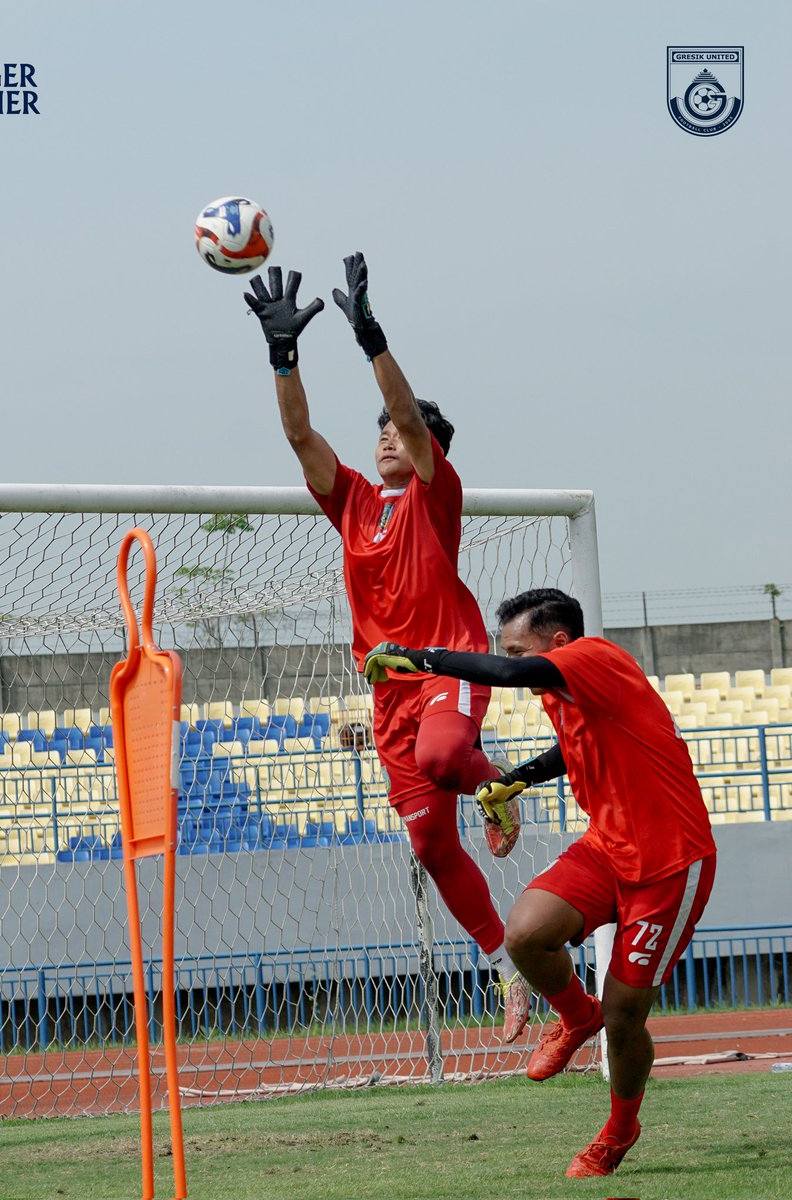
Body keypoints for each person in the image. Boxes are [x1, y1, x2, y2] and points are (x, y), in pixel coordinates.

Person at [244, 254, 530, 1042]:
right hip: (388, 693)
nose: (385, 441)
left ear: (430, 450)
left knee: (446, 756)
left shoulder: (438, 496)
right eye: (378, 437)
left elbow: (405, 414)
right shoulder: (355, 507)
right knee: (432, 844)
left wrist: (372, 339)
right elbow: (300, 434)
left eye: (400, 436)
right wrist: (283, 357)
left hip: (449, 664)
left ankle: (497, 785)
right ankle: (508, 967)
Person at [363, 587, 717, 1178]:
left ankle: (618, 1130)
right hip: (607, 846)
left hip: (670, 864)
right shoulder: (566, 689)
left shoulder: (592, 657)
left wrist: (424, 659)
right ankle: (579, 1016)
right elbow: (572, 750)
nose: (516, 662)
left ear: (557, 642)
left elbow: (509, 671)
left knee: (627, 1016)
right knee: (526, 933)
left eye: (519, 647)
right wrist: (517, 780)